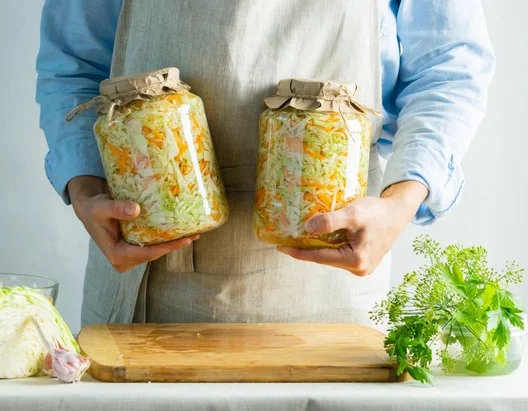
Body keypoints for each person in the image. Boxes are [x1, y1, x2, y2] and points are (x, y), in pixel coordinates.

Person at [36, 0, 495, 327]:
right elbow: (73, 62)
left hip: (333, 269)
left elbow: (448, 64)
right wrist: (84, 187)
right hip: (148, 268)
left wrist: (400, 202)